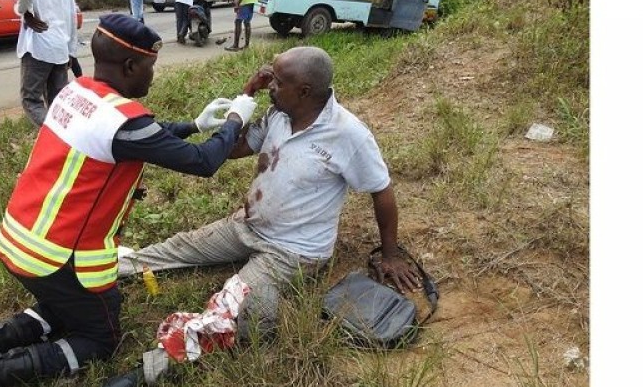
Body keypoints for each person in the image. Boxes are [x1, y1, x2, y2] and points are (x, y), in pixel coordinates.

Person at [0, 14, 259, 387]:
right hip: (59, 256)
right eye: (150, 66)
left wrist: (192, 125)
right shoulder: (123, 121)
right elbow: (204, 163)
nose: (152, 76)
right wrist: (235, 121)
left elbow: (141, 136)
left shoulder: (75, 92)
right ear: (131, 67)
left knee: (65, 307)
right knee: (101, 336)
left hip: (21, 240)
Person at [120, 46, 421, 343]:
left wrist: (390, 254)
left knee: (238, 301)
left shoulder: (349, 134)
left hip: (294, 250)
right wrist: (246, 95)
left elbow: (381, 190)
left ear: (304, 91)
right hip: (250, 224)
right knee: (180, 248)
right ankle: (106, 268)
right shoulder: (279, 115)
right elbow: (234, 150)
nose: (270, 86)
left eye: (277, 81)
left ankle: (166, 358)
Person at [10, 0, 82, 126]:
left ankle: (54, 139)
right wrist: (71, 50)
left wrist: (25, 12)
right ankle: (67, 143)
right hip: (60, 45)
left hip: (38, 44)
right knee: (58, 105)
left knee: (31, 100)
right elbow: (71, 10)